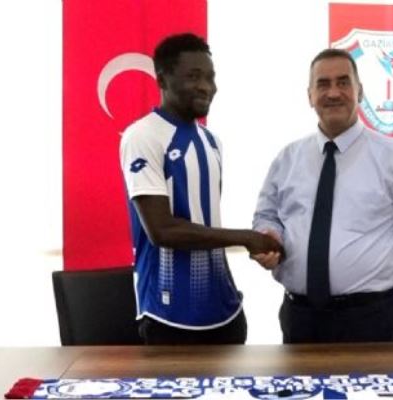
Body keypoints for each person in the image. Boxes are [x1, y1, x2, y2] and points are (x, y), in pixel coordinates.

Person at [251, 48, 393, 344]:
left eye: (343, 82)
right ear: (310, 96)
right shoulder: (287, 159)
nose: (333, 93)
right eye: (323, 84)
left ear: (360, 91)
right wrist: (269, 236)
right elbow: (267, 216)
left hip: (372, 319)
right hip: (300, 319)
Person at [119, 33, 282, 345]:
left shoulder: (212, 142)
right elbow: (162, 230)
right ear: (162, 80)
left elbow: (204, 222)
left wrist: (265, 242)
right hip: (169, 316)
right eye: (194, 76)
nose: (206, 86)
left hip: (226, 313)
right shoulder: (142, 136)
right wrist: (245, 238)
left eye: (210, 77)